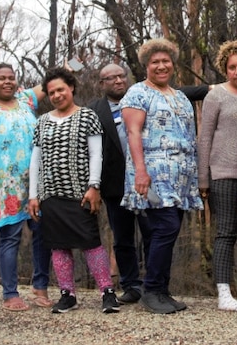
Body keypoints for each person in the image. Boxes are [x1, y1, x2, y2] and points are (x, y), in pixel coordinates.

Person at [121, 38, 204, 314]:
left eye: (165, 60)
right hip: (153, 172)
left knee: (168, 230)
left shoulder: (179, 95)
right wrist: (141, 171)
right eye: (155, 61)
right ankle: (152, 289)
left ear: (173, 63)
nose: (161, 65)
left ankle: (162, 289)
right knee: (165, 228)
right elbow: (133, 133)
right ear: (146, 65)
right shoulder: (137, 93)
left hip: (180, 176)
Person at [29, 68, 119, 314]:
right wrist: (33, 195)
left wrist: (94, 186)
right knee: (58, 246)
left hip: (80, 193)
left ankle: (107, 292)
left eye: (61, 89)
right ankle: (67, 294)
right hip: (49, 195)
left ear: (71, 88)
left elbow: (95, 154)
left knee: (91, 243)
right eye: (51, 92)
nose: (57, 95)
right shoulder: (42, 122)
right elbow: (35, 161)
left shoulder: (88, 116)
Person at [0, 63, 49, 311]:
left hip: (36, 183)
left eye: (11, 78)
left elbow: (51, 81)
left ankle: (40, 286)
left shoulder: (26, 101)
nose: (8, 82)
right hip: (6, 186)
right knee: (10, 237)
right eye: (1, 78)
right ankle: (10, 293)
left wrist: (76, 63)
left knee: (42, 234)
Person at [198, 40, 237, 311]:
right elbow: (204, 138)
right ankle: (224, 294)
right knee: (225, 233)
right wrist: (203, 180)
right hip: (223, 174)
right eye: (231, 67)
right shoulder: (216, 96)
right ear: (225, 69)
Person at [88, 63, 150, 305]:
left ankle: (155, 284)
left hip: (146, 181)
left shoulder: (144, 98)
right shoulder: (94, 110)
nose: (117, 80)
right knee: (123, 239)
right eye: (110, 78)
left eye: (121, 75)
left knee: (152, 235)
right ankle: (132, 285)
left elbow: (184, 92)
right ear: (102, 84)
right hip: (114, 185)